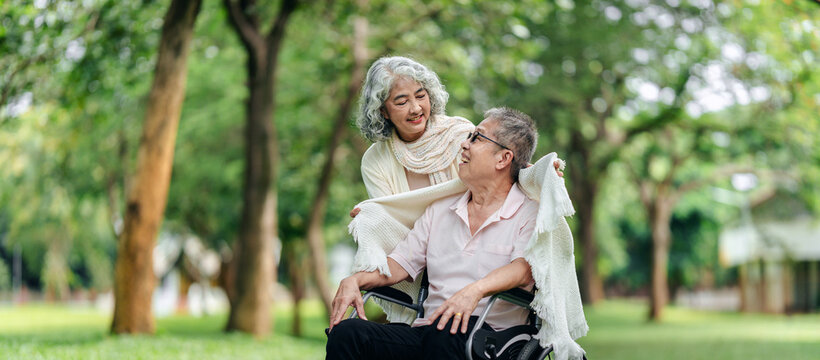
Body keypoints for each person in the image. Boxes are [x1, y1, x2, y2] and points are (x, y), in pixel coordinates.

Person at [327, 108, 540, 360]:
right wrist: (355, 280)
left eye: (477, 138)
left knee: (447, 329)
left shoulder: (530, 211)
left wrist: (474, 291)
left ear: (503, 159)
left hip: (493, 340)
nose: (464, 144)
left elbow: (524, 268)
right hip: (431, 332)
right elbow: (400, 264)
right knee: (349, 333)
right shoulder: (440, 210)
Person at [352, 56, 562, 209]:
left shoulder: (462, 135)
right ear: (383, 111)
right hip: (414, 258)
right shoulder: (375, 160)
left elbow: (502, 180)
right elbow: (389, 218)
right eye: (402, 102)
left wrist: (536, 174)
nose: (415, 108)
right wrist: (371, 216)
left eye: (420, 96)